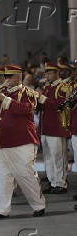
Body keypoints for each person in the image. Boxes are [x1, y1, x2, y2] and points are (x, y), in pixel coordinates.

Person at [0, 65, 46, 220]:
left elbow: (25, 110)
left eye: (10, 76)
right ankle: (1, 210)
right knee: (2, 176)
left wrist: (4, 99)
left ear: (18, 76)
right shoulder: (0, 93)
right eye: (5, 77)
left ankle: (39, 205)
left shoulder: (28, 93)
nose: (6, 80)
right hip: (0, 142)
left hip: (22, 142)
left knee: (25, 174)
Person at [39, 63, 71, 194]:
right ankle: (53, 182)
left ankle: (61, 183)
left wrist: (44, 99)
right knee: (48, 157)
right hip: (45, 127)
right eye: (46, 73)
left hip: (57, 127)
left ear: (56, 73)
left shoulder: (63, 87)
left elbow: (61, 105)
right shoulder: (48, 87)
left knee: (58, 157)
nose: (46, 75)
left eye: (49, 73)